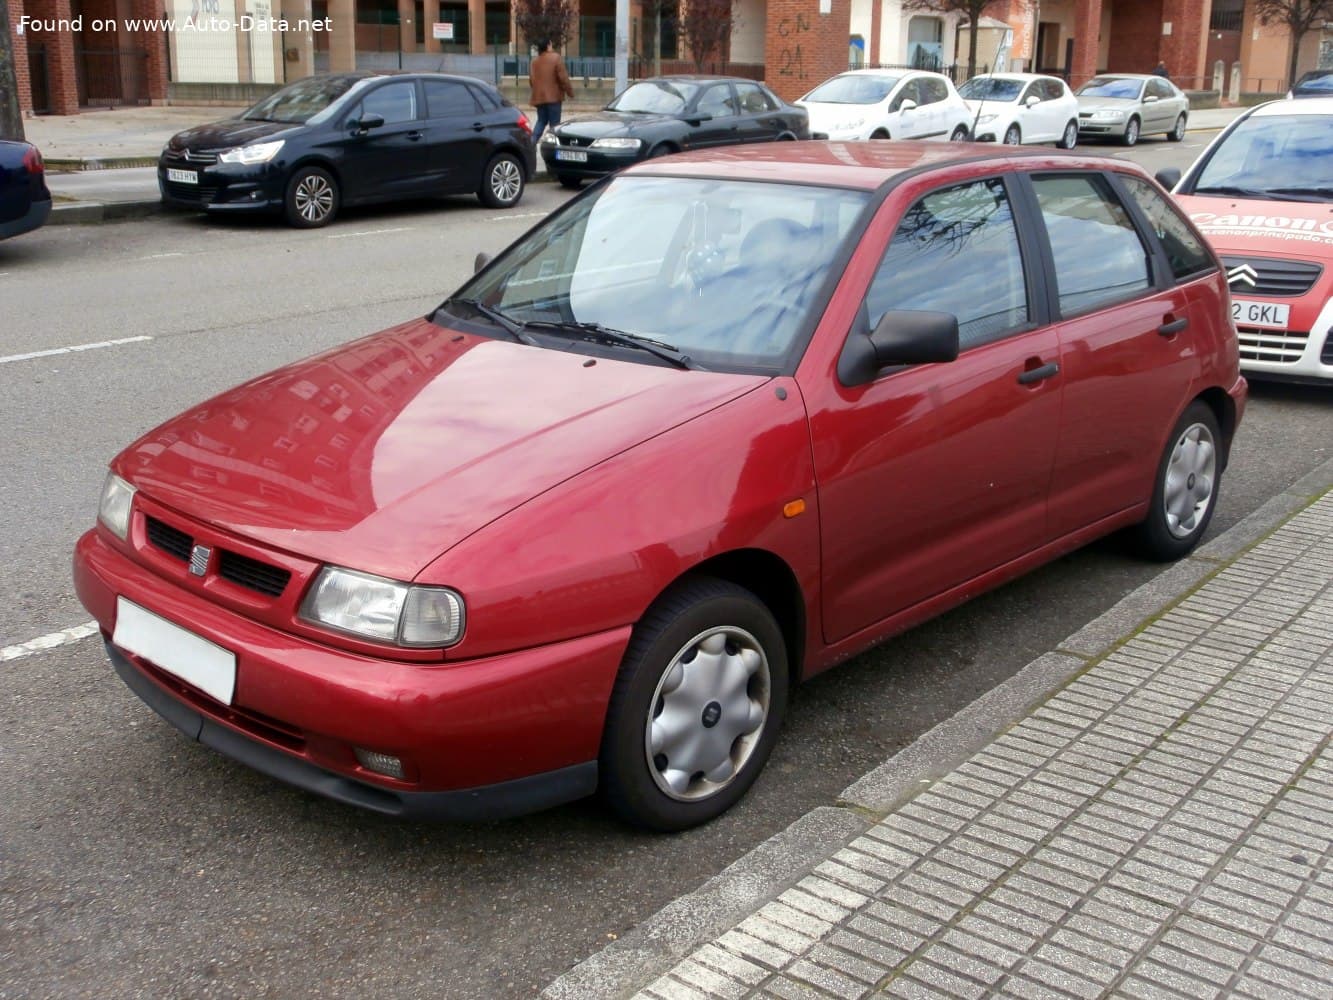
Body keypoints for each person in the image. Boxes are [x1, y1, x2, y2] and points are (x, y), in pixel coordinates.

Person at [530, 39, 575, 144]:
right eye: (551, 44)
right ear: (548, 45)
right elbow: (563, 78)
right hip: (554, 98)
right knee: (554, 125)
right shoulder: (556, 58)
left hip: (540, 98)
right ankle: (553, 145)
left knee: (541, 121)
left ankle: (531, 143)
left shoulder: (534, 61)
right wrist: (570, 92)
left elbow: (532, 80)